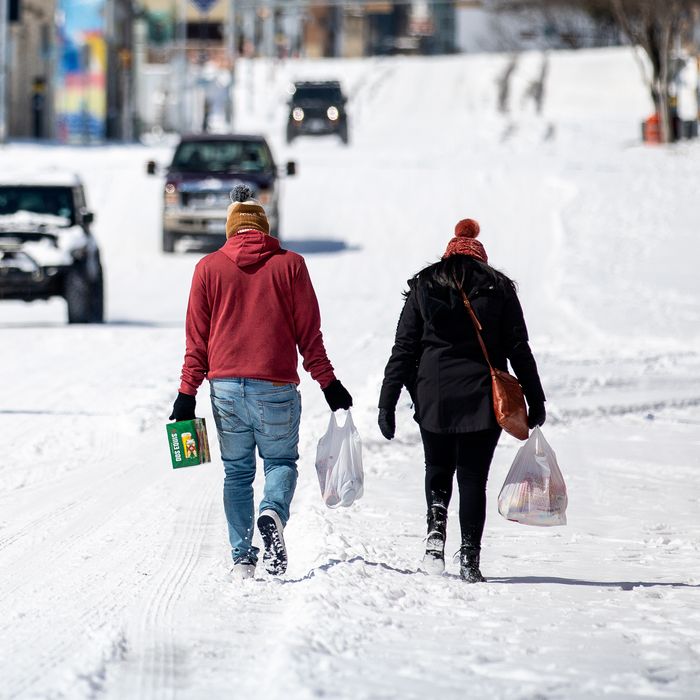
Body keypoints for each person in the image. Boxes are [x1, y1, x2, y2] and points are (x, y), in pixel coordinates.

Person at [170, 185, 352, 579]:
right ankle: (272, 511)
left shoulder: (207, 268)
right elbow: (310, 336)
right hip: (276, 387)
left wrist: (186, 394)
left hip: (226, 390)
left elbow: (196, 341)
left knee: (236, 472)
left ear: (230, 229)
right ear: (264, 229)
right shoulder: (292, 265)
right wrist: (329, 384)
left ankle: (242, 559)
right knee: (280, 461)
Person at [377, 219, 545, 583]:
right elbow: (519, 348)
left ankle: (434, 540)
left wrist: (386, 402)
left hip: (433, 395)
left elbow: (404, 348)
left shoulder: (424, 285)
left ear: (448, 253)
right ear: (481, 257)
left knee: (437, 468)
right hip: (482, 397)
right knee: (473, 478)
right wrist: (535, 398)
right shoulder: (499, 288)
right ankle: (470, 557)